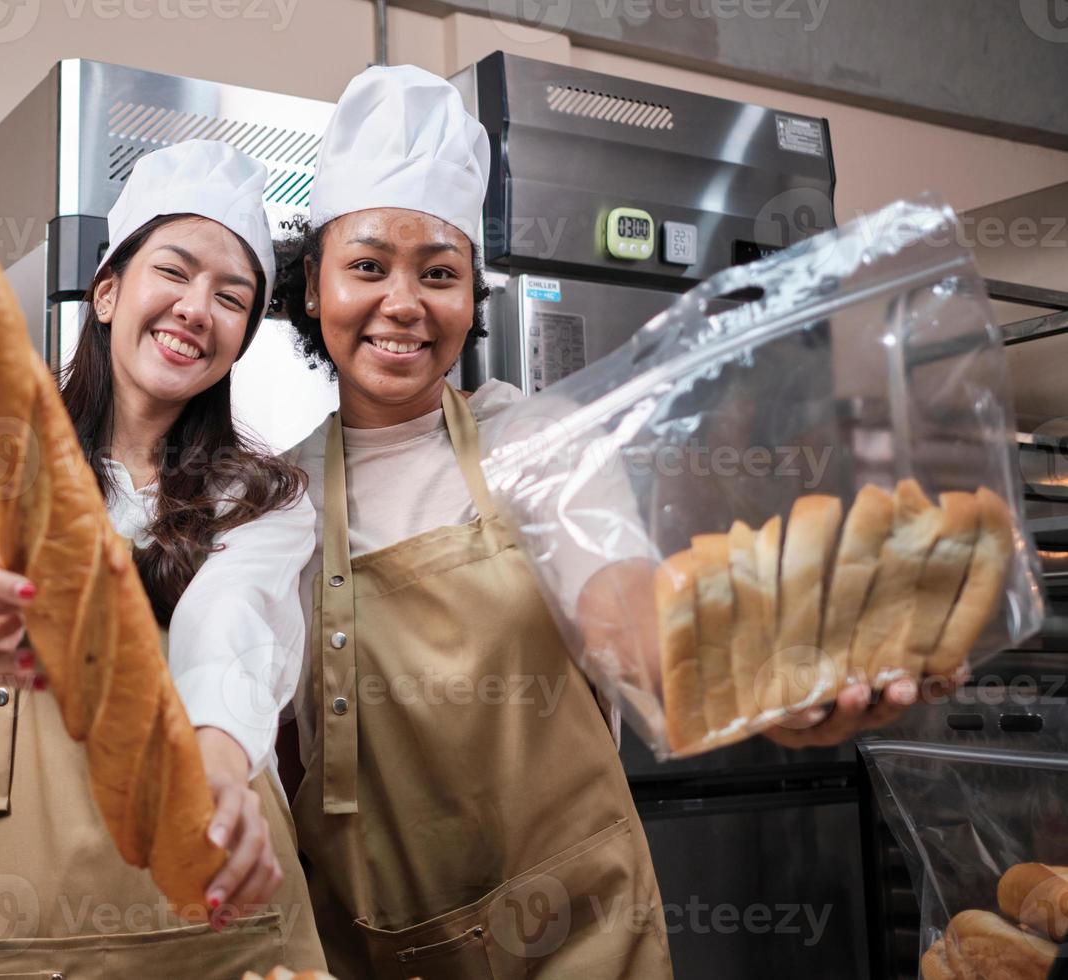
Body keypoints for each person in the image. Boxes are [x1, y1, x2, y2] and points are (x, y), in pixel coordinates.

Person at [272, 64, 925, 979]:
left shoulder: (529, 439)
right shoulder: (276, 495)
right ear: (312, 287)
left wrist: (758, 671)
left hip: (578, 942)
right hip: (385, 953)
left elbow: (619, 599)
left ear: (473, 295)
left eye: (441, 273)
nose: (404, 304)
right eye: (368, 267)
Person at [0, 140, 326, 977]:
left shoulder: (266, 500)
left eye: (231, 297)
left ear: (242, 336)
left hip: (223, 912)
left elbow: (231, 626)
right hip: (28, 932)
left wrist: (214, 765)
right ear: (108, 292)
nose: (195, 309)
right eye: (172, 273)